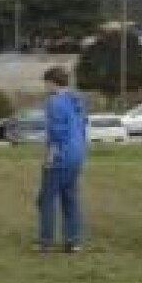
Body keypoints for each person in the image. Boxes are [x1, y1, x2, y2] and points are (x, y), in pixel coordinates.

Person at [37, 66, 87, 253]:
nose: (45, 87)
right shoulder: (76, 100)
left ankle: (46, 242)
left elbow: (57, 133)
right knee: (70, 199)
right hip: (77, 155)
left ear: (51, 82)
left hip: (60, 156)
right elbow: (82, 127)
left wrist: (49, 158)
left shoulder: (54, 102)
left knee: (46, 200)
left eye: (45, 83)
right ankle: (73, 242)